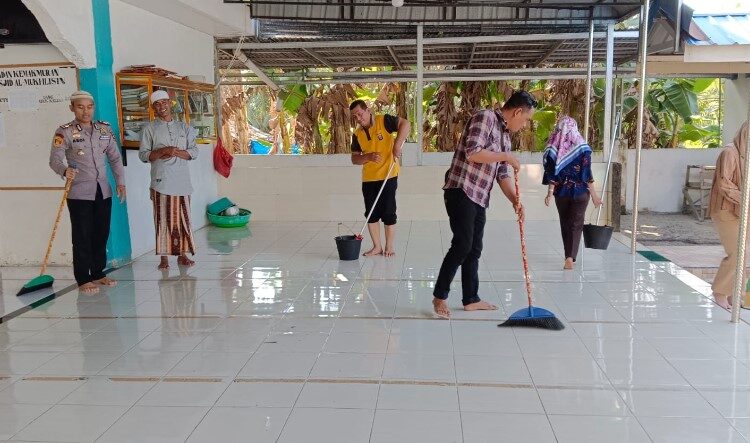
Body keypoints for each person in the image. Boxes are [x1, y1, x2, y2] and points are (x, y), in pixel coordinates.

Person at [432, 91, 534, 319]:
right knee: (462, 244)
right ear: (517, 112)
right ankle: (440, 296)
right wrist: (506, 157)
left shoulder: (506, 138)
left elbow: (503, 175)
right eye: (526, 119)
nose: (524, 124)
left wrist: (514, 200)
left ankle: (471, 299)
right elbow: (473, 152)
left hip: (479, 196)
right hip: (461, 189)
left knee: (474, 249)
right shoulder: (485, 117)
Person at [49, 90, 126, 294]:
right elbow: (54, 160)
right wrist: (65, 170)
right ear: (72, 108)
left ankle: (98, 273)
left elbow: (115, 158)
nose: (86, 111)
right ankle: (83, 278)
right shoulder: (63, 132)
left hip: (103, 190)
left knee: (101, 233)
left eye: (89, 106)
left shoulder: (104, 129)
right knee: (82, 235)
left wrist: (120, 182)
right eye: (80, 106)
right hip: (79, 193)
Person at [139, 90, 198, 270]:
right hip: (161, 182)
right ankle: (163, 258)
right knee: (162, 219)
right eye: (157, 104)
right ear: (153, 108)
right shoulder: (149, 128)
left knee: (183, 219)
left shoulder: (184, 127)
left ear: (170, 104)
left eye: (164, 102)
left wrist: (175, 152)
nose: (162, 106)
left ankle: (182, 255)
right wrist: (162, 152)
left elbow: (194, 152)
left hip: (182, 182)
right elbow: (143, 155)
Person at [349, 99, 411, 257]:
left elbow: (406, 124)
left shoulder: (384, 121)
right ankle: (377, 246)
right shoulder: (357, 134)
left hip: (388, 175)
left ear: (368, 110)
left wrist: (397, 145)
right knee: (371, 213)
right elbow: (355, 159)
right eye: (355, 116)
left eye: (360, 114)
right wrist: (367, 157)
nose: (358, 118)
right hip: (369, 178)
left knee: (389, 211)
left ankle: (389, 246)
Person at [542, 116, 603, 270]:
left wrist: (550, 193)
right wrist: (595, 196)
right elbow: (587, 174)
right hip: (581, 192)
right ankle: (570, 257)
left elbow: (551, 175)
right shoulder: (583, 148)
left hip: (561, 192)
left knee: (565, 223)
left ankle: (567, 255)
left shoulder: (552, 149)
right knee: (576, 224)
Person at [709, 121, 750, 309]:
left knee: (745, 254)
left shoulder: (747, 156)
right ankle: (720, 291)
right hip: (725, 210)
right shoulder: (730, 153)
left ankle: (735, 293)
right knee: (738, 252)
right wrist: (746, 197)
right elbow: (724, 184)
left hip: (743, 210)